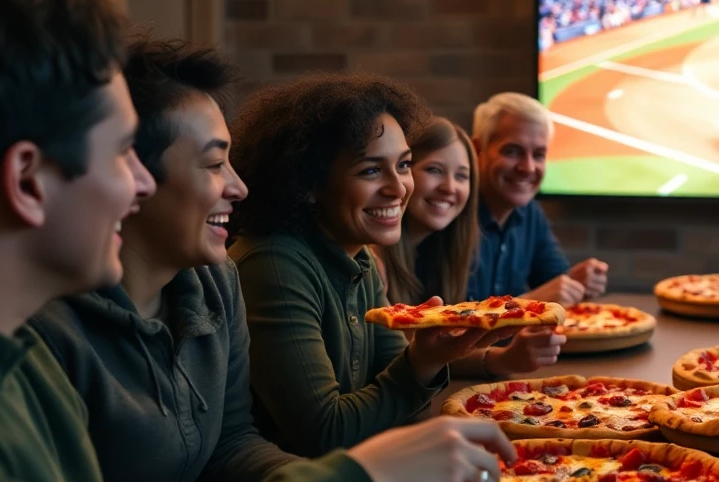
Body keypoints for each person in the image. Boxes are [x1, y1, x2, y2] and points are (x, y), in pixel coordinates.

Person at [0, 0, 514, 482]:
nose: (137, 182)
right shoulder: (35, 355)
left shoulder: (30, 348)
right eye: (119, 152)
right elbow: (322, 431)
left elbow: (228, 446)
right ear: (28, 180)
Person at [27, 40, 294, 482]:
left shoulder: (216, 280)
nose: (239, 187)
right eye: (215, 165)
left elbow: (230, 442)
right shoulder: (44, 331)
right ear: (131, 176)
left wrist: (327, 480)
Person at [229, 75, 506, 457]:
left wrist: (426, 357)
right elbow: (326, 433)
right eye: (371, 170)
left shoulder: (359, 256)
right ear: (307, 184)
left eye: (404, 164)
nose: (399, 187)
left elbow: (399, 402)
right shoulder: (273, 265)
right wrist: (417, 365)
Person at [378, 117, 563, 377]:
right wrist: (502, 358)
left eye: (462, 176)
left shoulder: (443, 248)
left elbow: (434, 351)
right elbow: (395, 359)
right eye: (434, 170)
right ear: (404, 173)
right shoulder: (374, 261)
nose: (449, 187)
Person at [468, 92, 607, 305]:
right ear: (477, 150)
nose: (528, 167)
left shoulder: (530, 212)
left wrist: (577, 284)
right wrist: (528, 302)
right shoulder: (449, 213)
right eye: (512, 151)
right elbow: (445, 325)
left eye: (539, 155)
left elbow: (553, 284)